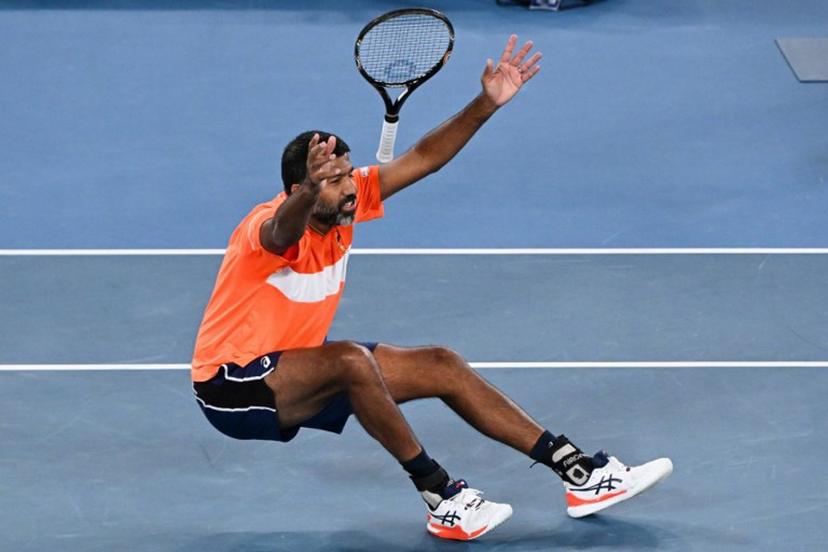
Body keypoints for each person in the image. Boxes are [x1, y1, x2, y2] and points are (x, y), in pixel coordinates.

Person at [191, 35, 672, 541]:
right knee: (352, 360)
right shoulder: (265, 227)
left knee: (440, 364)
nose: (349, 186)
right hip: (229, 385)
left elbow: (425, 156)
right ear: (299, 190)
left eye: (347, 174)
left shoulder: (347, 205)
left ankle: (580, 474)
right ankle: (441, 497)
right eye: (331, 181)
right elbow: (282, 233)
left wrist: (487, 103)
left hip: (292, 368)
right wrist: (311, 191)